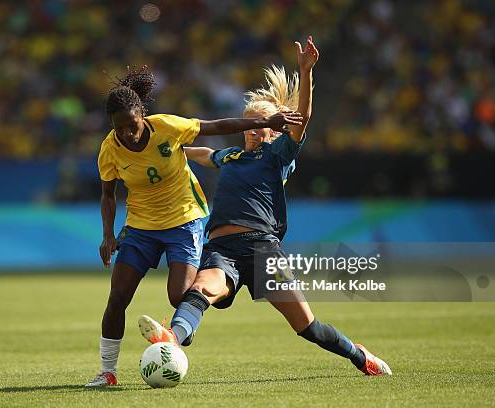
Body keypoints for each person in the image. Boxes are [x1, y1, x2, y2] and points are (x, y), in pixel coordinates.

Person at [138, 37, 392, 376]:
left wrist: (305, 72)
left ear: (274, 131)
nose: (256, 130)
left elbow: (302, 119)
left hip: (261, 249)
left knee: (308, 328)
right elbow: (201, 154)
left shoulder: (277, 156)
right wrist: (169, 151)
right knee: (202, 289)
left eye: (263, 125)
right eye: (252, 124)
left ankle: (360, 356)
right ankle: (171, 339)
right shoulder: (230, 156)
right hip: (220, 248)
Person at [86, 66, 304, 387]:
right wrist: (108, 234)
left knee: (179, 296)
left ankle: (183, 326)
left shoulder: (168, 127)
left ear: (142, 116)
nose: (127, 133)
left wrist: (263, 122)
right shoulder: (109, 149)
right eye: (120, 129)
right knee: (117, 296)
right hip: (141, 227)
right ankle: (107, 371)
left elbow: (216, 126)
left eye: (131, 125)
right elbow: (108, 195)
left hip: (184, 221)